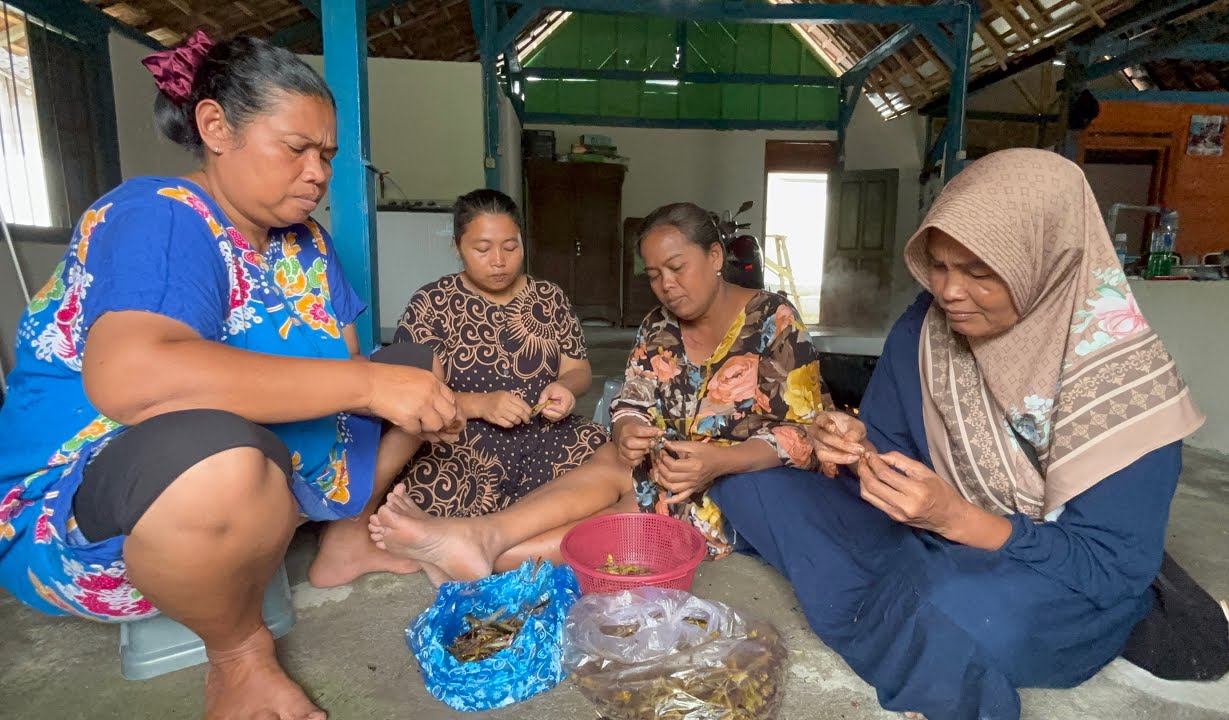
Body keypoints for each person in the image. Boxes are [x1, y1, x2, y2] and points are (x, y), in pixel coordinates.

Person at [0, 33, 459, 720]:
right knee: (223, 462)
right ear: (215, 128)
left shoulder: (306, 244)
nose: (317, 173)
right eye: (295, 148)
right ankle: (239, 654)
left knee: (422, 370)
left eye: (327, 156)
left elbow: (350, 365)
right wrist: (368, 388)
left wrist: (401, 389)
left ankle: (341, 538)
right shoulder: (159, 218)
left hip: (263, 456)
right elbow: (132, 375)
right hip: (98, 500)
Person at [704, 149, 1206, 720]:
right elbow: (892, 447)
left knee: (948, 611)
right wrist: (850, 443)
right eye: (938, 265)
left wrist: (952, 519)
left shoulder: (1126, 384)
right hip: (927, 533)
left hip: (1045, 571)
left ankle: (909, 616)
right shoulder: (925, 329)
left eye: (979, 272)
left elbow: (1110, 570)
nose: (949, 291)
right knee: (751, 485)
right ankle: (902, 607)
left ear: (1051, 264)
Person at [368, 201, 829, 576]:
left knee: (644, 504)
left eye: (676, 267)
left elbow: (807, 433)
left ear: (713, 258)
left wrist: (720, 460)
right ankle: (481, 536)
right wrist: (628, 425)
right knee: (612, 457)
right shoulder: (658, 325)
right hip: (671, 460)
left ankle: (483, 555)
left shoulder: (774, 321)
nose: (666, 285)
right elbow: (632, 395)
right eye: (653, 275)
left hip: (741, 476)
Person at [391, 189, 607, 517]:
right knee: (421, 488)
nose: (498, 261)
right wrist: (481, 404)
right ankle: (524, 528)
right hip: (462, 444)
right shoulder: (432, 303)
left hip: (544, 437)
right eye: (482, 249)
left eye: (510, 247)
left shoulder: (549, 297)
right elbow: (410, 394)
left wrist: (565, 387)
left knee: (604, 452)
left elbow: (579, 370)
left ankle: (494, 534)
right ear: (457, 246)